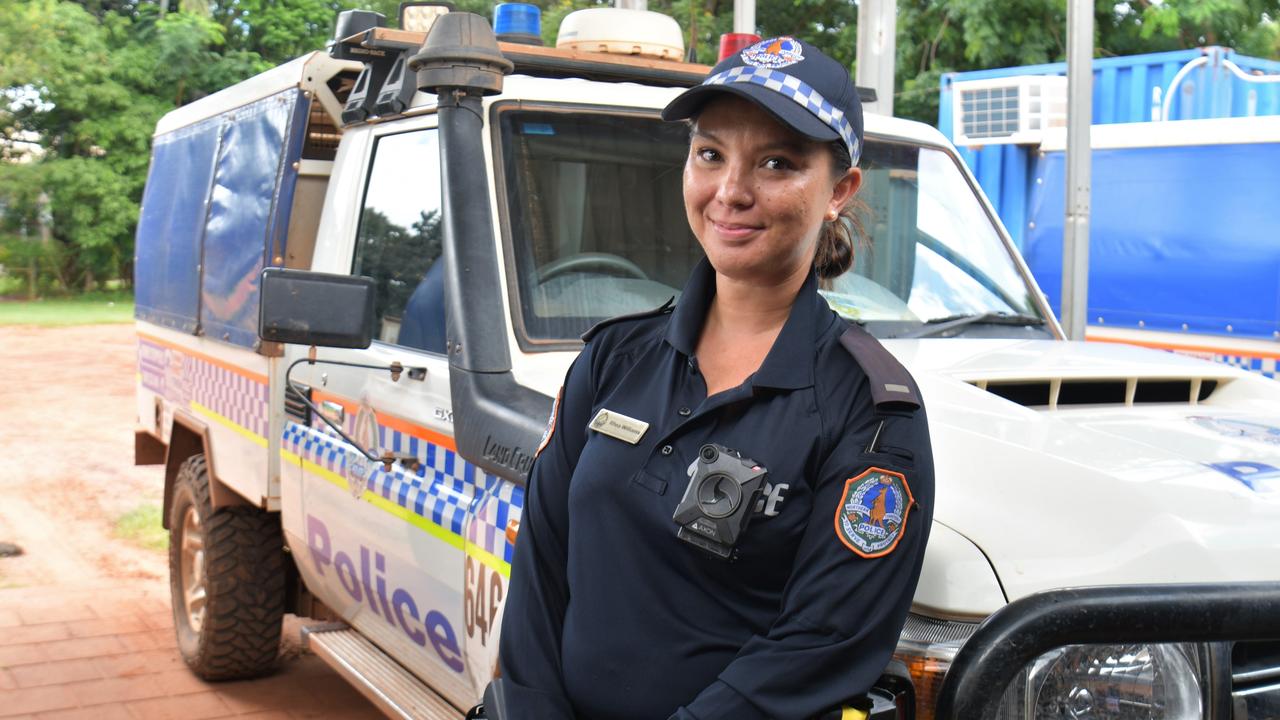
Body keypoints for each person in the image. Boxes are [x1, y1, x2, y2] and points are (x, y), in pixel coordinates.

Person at [497, 35, 934, 720]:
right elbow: (542, 565)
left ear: (839, 192)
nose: (731, 191)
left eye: (776, 163)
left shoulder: (871, 411)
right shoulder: (614, 359)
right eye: (710, 154)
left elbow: (824, 643)